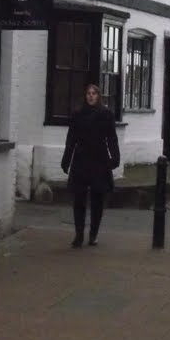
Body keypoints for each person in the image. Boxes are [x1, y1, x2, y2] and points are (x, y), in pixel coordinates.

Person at [61, 84, 120, 248]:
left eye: (94, 93)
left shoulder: (106, 115)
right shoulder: (78, 115)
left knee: (97, 199)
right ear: (85, 96)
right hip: (81, 159)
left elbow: (111, 138)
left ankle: (93, 234)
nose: (91, 96)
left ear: (98, 96)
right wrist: (66, 160)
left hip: (99, 159)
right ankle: (79, 234)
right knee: (78, 198)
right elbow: (71, 139)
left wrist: (114, 157)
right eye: (88, 93)